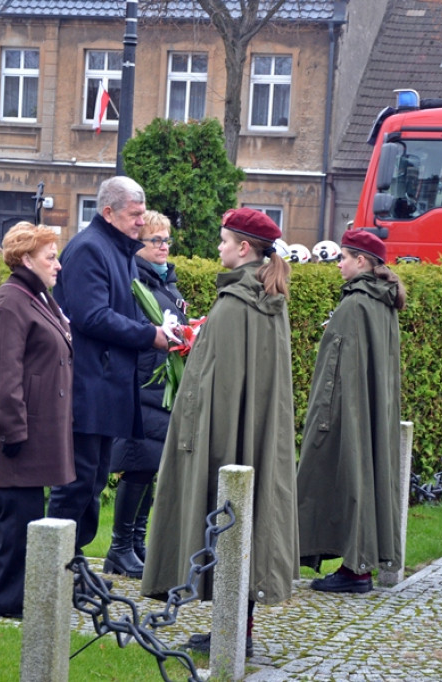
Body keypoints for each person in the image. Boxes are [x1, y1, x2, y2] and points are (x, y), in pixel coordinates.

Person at [141, 207, 298, 658]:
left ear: (244, 248)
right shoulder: (266, 296)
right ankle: (235, 627)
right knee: (243, 522)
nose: (219, 248)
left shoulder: (237, 302)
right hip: (251, 435)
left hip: (225, 439)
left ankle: (233, 631)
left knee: (228, 517)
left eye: (224, 241)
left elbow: (216, 389)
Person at [47, 176, 169, 558]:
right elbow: (92, 316)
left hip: (106, 383)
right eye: (135, 215)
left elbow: (122, 310)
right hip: (86, 384)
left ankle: (73, 561)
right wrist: (149, 334)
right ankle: (55, 565)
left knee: (94, 480)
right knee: (76, 482)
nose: (141, 223)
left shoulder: (118, 251)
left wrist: (164, 327)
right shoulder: (89, 249)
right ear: (108, 212)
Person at [0, 222, 75, 619]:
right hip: (20, 432)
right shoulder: (11, 303)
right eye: (51, 257)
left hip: (35, 428)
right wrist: (13, 431)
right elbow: (2, 376)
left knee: (13, 514)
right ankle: (9, 600)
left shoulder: (35, 298)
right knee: (19, 517)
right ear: (26, 260)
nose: (58, 265)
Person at [296, 230, 407, 595]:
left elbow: (336, 373)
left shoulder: (357, 303)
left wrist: (323, 420)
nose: (339, 263)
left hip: (349, 410)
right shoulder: (382, 300)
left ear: (362, 261)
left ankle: (355, 569)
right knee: (364, 475)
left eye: (344, 256)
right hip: (371, 408)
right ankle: (355, 565)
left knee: (352, 476)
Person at [105, 211, 188, 578]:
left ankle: (136, 542)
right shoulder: (133, 284)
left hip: (162, 385)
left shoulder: (165, 283)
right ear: (138, 245)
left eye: (167, 239)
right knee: (138, 465)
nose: (163, 245)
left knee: (150, 467)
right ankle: (120, 547)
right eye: (155, 240)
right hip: (142, 385)